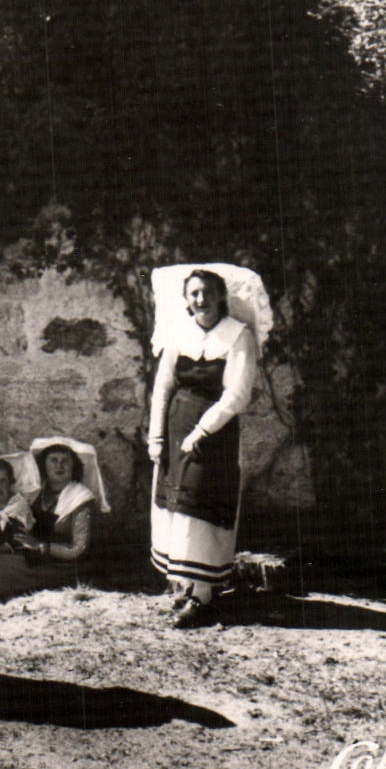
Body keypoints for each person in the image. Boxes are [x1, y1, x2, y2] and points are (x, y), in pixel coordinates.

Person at [148, 265, 270, 628]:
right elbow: (163, 388)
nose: (201, 300)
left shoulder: (238, 337)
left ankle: (202, 596)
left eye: (207, 293)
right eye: (194, 293)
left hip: (213, 434)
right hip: (175, 429)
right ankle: (185, 586)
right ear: (186, 299)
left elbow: (236, 396)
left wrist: (201, 431)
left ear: (220, 297)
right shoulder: (178, 334)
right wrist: (156, 436)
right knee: (176, 504)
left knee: (201, 506)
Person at [0, 437, 108, 612]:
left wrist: (41, 547)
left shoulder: (81, 498)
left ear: (74, 466)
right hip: (38, 557)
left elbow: (79, 549)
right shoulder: (38, 494)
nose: (59, 466)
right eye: (53, 460)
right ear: (44, 465)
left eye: (65, 461)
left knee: (1, 566)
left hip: (66, 566)